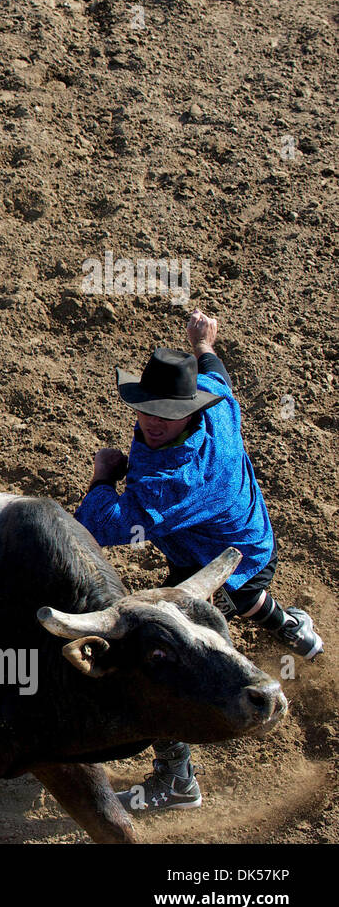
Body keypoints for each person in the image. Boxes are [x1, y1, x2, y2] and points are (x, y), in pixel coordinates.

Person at [76, 308, 323, 812]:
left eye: (166, 414)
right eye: (147, 408)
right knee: (247, 594)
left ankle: (177, 781)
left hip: (211, 566)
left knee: (156, 661)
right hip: (250, 540)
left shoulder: (174, 479)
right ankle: (297, 633)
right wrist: (204, 343)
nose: (152, 421)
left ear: (190, 411)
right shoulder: (218, 406)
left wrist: (103, 476)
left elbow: (102, 527)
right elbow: (219, 374)